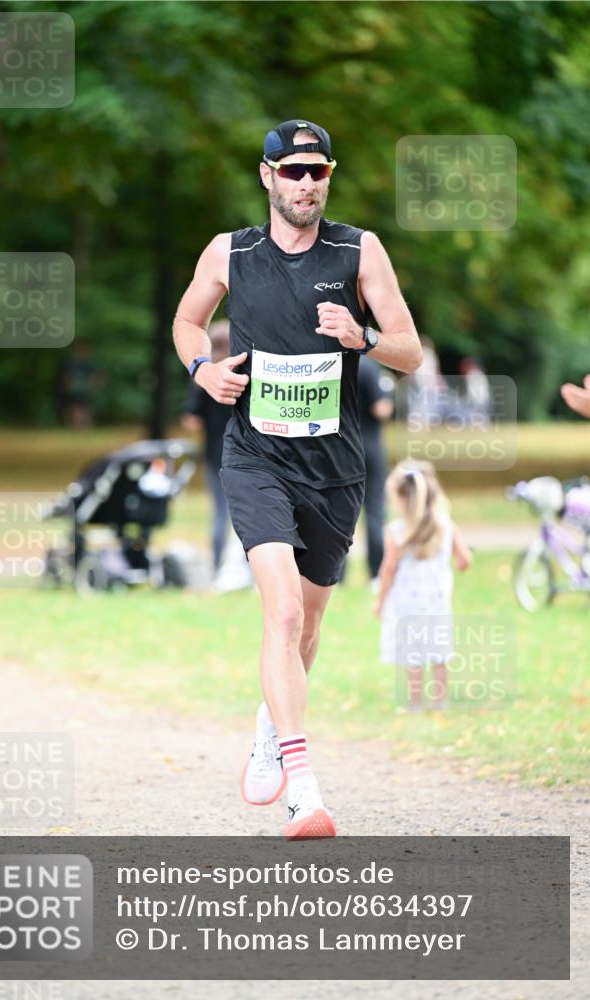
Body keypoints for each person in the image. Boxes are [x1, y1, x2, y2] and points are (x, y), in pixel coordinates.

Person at [172, 119, 422, 839]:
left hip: (335, 467)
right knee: (280, 613)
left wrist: (364, 339)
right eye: (292, 172)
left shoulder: (358, 250)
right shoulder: (230, 252)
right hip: (255, 458)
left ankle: (268, 723)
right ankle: (303, 790)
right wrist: (202, 368)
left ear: (328, 177)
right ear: (266, 176)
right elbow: (188, 323)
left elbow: (407, 347)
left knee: (307, 624)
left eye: (317, 172)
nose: (305, 183)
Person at [375, 460, 472, 711]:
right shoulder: (446, 526)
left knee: (413, 654)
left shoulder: (396, 531)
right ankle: (441, 701)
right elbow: (465, 559)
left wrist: (380, 600)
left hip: (407, 604)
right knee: (439, 652)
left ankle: (415, 703)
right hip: (437, 601)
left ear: (401, 499)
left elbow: (388, 570)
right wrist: (459, 564)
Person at [181, 320, 233, 572]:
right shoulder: (243, 372)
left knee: (220, 510)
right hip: (245, 450)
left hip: (214, 450)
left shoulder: (205, 377)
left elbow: (190, 420)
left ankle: (217, 564)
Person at [357, 356, 394, 588]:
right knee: (375, 511)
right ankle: (376, 572)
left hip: (341, 448)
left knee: (338, 513)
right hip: (370, 446)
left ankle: (337, 573)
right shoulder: (369, 367)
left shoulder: (330, 363)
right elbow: (381, 408)